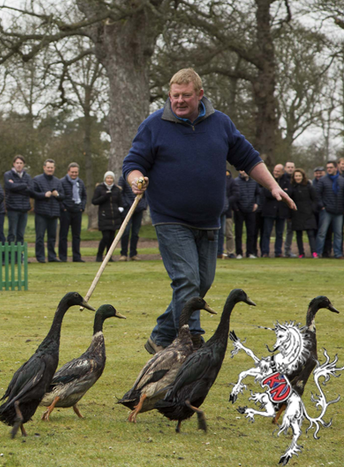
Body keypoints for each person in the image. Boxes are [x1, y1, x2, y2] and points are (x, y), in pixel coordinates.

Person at [123, 68, 294, 355]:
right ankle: (192, 337)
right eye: (174, 95)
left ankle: (160, 336)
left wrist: (273, 187)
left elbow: (248, 158)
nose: (179, 101)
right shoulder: (154, 124)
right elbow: (132, 164)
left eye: (185, 95)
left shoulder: (220, 124)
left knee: (202, 282)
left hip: (209, 220)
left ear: (200, 95)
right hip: (170, 218)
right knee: (187, 280)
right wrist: (135, 181)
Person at [314, 160, 344, 259]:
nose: (329, 169)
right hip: (326, 211)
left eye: (331, 167)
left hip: (339, 211)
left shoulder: (342, 180)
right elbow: (318, 194)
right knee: (322, 233)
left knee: (338, 234)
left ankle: (338, 253)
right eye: (328, 168)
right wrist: (322, 206)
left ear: (335, 168)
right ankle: (318, 253)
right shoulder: (322, 180)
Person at [31, 159, 64, 263]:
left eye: (52, 168)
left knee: (52, 237)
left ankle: (52, 256)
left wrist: (57, 195)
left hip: (54, 213)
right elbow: (32, 193)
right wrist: (43, 195)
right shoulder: (37, 179)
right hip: (41, 212)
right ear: (44, 167)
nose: (50, 169)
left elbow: (63, 196)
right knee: (40, 236)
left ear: (54, 168)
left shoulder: (58, 181)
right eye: (48, 167)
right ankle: (40, 257)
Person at [258, 164, 288, 258]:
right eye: (275, 170)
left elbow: (289, 192)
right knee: (266, 232)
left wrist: (274, 192)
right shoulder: (268, 181)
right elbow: (265, 192)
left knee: (279, 233)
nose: (276, 172)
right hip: (269, 211)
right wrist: (279, 193)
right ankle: (265, 252)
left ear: (282, 172)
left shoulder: (287, 181)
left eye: (278, 171)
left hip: (281, 212)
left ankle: (278, 252)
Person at [59, 162, 87, 262]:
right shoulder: (62, 182)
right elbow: (59, 197)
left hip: (77, 211)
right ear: (68, 171)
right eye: (72, 172)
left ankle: (76, 257)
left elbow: (84, 196)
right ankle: (63, 257)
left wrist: (82, 207)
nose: (74, 174)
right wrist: (63, 208)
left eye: (76, 172)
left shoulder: (81, 182)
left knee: (76, 235)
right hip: (66, 211)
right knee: (63, 235)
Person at [92, 171, 123, 263]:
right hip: (104, 216)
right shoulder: (99, 188)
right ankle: (99, 255)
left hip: (114, 217)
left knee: (112, 238)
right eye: (108, 178)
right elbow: (94, 201)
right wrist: (104, 196)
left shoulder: (117, 189)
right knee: (105, 237)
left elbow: (120, 201)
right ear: (105, 179)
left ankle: (109, 256)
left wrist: (120, 209)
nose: (109, 180)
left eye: (111, 178)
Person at [289, 168, 320, 258]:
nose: (298, 178)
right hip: (296, 214)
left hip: (308, 213)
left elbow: (315, 199)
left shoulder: (309, 186)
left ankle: (314, 252)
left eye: (299, 176)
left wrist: (312, 209)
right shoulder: (292, 187)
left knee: (311, 234)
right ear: (294, 177)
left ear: (303, 177)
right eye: (296, 176)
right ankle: (301, 253)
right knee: (298, 235)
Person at [117, 172, 147, 261]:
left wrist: (143, 204)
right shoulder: (123, 178)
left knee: (135, 233)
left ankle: (133, 254)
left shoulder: (142, 178)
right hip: (127, 209)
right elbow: (120, 193)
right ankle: (123, 254)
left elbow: (146, 193)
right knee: (125, 232)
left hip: (139, 208)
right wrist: (125, 204)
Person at [3, 155, 32, 245]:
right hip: (13, 208)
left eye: (21, 163)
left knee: (21, 234)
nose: (19, 165)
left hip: (24, 209)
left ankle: (19, 256)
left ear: (24, 164)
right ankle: (11, 256)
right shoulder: (8, 175)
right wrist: (24, 185)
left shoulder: (27, 176)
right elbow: (9, 187)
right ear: (13, 164)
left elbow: (30, 190)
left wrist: (15, 186)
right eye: (17, 163)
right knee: (12, 233)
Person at [232, 169, 260, 259]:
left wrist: (256, 203)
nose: (244, 172)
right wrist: (236, 208)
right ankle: (239, 252)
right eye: (242, 170)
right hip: (239, 211)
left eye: (245, 170)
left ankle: (250, 252)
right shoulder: (235, 182)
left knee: (251, 232)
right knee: (238, 232)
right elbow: (233, 195)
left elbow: (258, 194)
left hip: (251, 210)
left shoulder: (254, 182)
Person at [220, 169, 237, 258]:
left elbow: (235, 194)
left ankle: (230, 251)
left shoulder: (231, 181)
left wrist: (226, 203)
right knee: (219, 233)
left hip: (227, 212)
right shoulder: (217, 179)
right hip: (218, 212)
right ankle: (219, 251)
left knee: (229, 233)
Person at [282, 161, 296, 257]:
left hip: (293, 211)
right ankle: (281, 251)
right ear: (285, 168)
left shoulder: (296, 179)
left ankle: (288, 251)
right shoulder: (282, 179)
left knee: (290, 231)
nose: (290, 169)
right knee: (282, 231)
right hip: (282, 209)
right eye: (288, 167)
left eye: (292, 167)